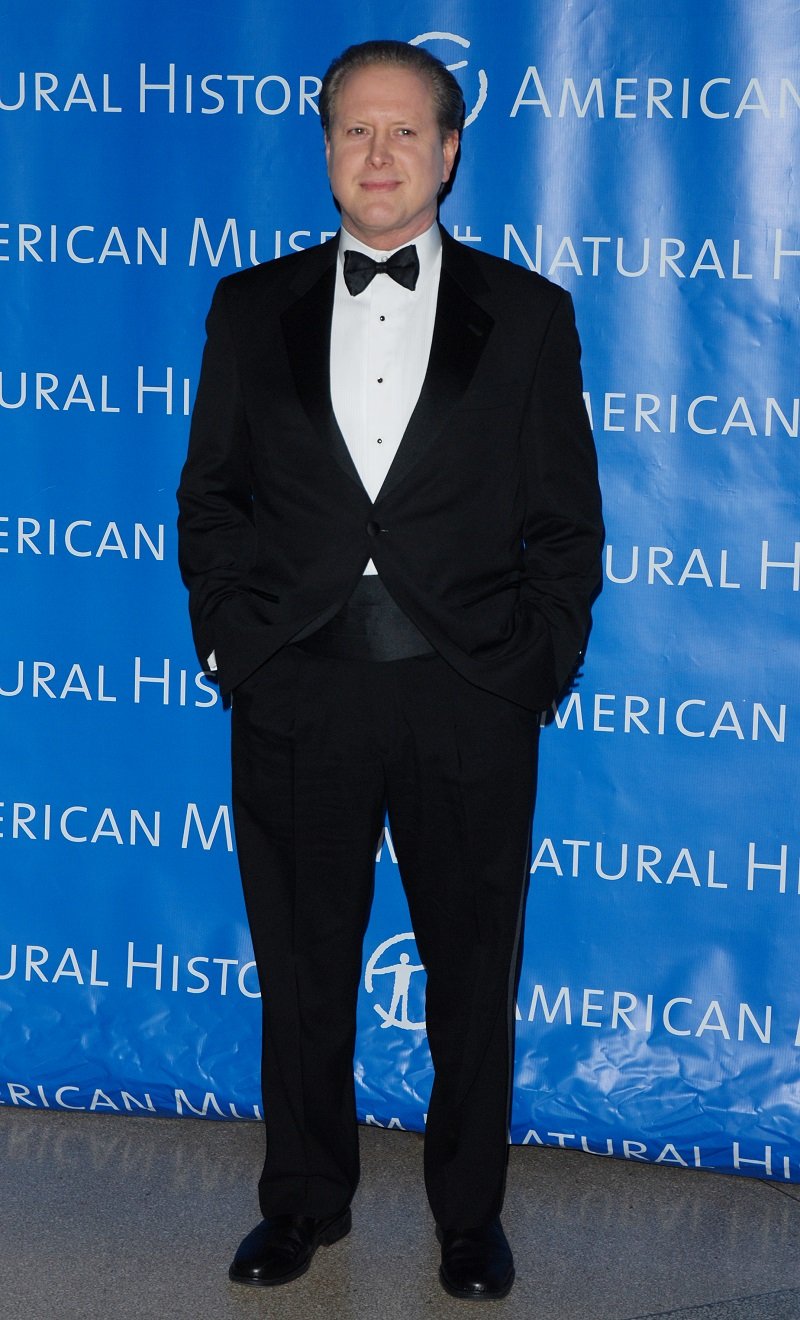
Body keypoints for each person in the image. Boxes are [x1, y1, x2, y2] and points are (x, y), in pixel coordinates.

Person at [177, 38, 603, 1301]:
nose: (377, 156)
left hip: (466, 692)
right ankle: (302, 1203)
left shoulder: (527, 316)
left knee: (473, 971)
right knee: (300, 966)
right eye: (353, 132)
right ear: (323, 149)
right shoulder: (246, 309)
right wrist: (233, 643)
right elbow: (212, 502)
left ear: (449, 149)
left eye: (402, 132)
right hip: (297, 687)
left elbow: (566, 526)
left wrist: (532, 667)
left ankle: (469, 1221)